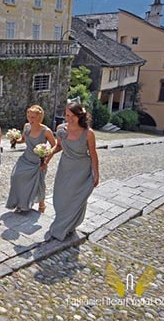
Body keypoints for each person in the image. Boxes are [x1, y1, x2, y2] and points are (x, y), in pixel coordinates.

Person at [46, 102, 100, 241]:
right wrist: (48, 153)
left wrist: (96, 174)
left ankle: (63, 227)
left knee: (75, 199)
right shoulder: (61, 129)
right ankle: (65, 223)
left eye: (72, 116)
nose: (68, 118)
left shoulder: (89, 133)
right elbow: (58, 146)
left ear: (80, 116)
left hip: (81, 170)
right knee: (60, 197)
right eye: (66, 115)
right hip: (65, 167)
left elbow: (93, 154)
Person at [6, 105, 56, 214]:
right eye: (29, 116)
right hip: (25, 158)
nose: (30, 119)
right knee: (16, 177)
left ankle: (42, 204)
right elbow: (23, 139)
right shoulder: (26, 127)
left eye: (33, 117)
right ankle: (20, 203)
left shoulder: (46, 131)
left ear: (39, 117)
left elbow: (54, 146)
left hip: (38, 162)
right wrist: (14, 140)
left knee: (39, 183)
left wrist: (46, 160)